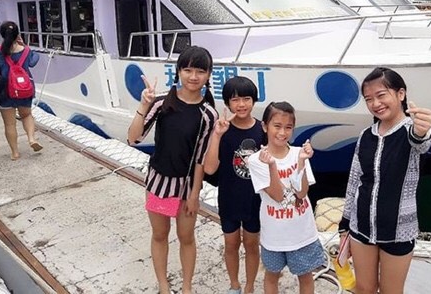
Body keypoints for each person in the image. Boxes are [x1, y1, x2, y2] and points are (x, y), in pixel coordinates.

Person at [127, 46, 218, 294]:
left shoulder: (208, 114)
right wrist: (143, 105)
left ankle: (187, 287)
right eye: (187, 70)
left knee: (186, 237)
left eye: (200, 71)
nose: (193, 76)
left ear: (208, 75)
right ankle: (164, 285)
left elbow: (200, 158)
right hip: (159, 182)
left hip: (186, 187)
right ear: (178, 71)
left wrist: (195, 194)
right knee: (160, 234)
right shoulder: (161, 103)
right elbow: (133, 138)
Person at [338, 67, 431, 294]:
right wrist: (345, 225)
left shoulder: (412, 132)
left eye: (381, 95)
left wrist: (423, 130)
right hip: (361, 227)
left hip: (399, 231)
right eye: (368, 99)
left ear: (401, 94)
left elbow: (421, 143)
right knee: (364, 289)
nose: (375, 103)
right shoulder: (366, 136)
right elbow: (354, 182)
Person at [247, 102, 325, 294]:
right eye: (277, 126)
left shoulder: (299, 153)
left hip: (302, 232)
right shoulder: (256, 160)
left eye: (288, 127)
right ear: (265, 126)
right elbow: (278, 195)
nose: (282, 132)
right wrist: (272, 166)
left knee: (305, 276)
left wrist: (301, 162)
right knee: (272, 276)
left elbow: (302, 193)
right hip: (274, 235)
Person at [204, 76, 265, 294]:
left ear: (254, 100)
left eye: (246, 99)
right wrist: (217, 135)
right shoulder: (222, 130)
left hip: (254, 200)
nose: (241, 104)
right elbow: (210, 169)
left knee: (251, 244)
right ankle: (234, 285)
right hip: (229, 198)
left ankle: (249, 286)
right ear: (227, 103)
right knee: (230, 244)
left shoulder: (262, 130)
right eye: (235, 99)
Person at [0, 21, 42, 160]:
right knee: (27, 115)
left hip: (4, 92)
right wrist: (25, 46)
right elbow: (33, 61)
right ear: (17, 34)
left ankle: (15, 153)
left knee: (9, 124)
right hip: (24, 89)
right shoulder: (25, 51)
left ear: (2, 35)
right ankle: (32, 138)